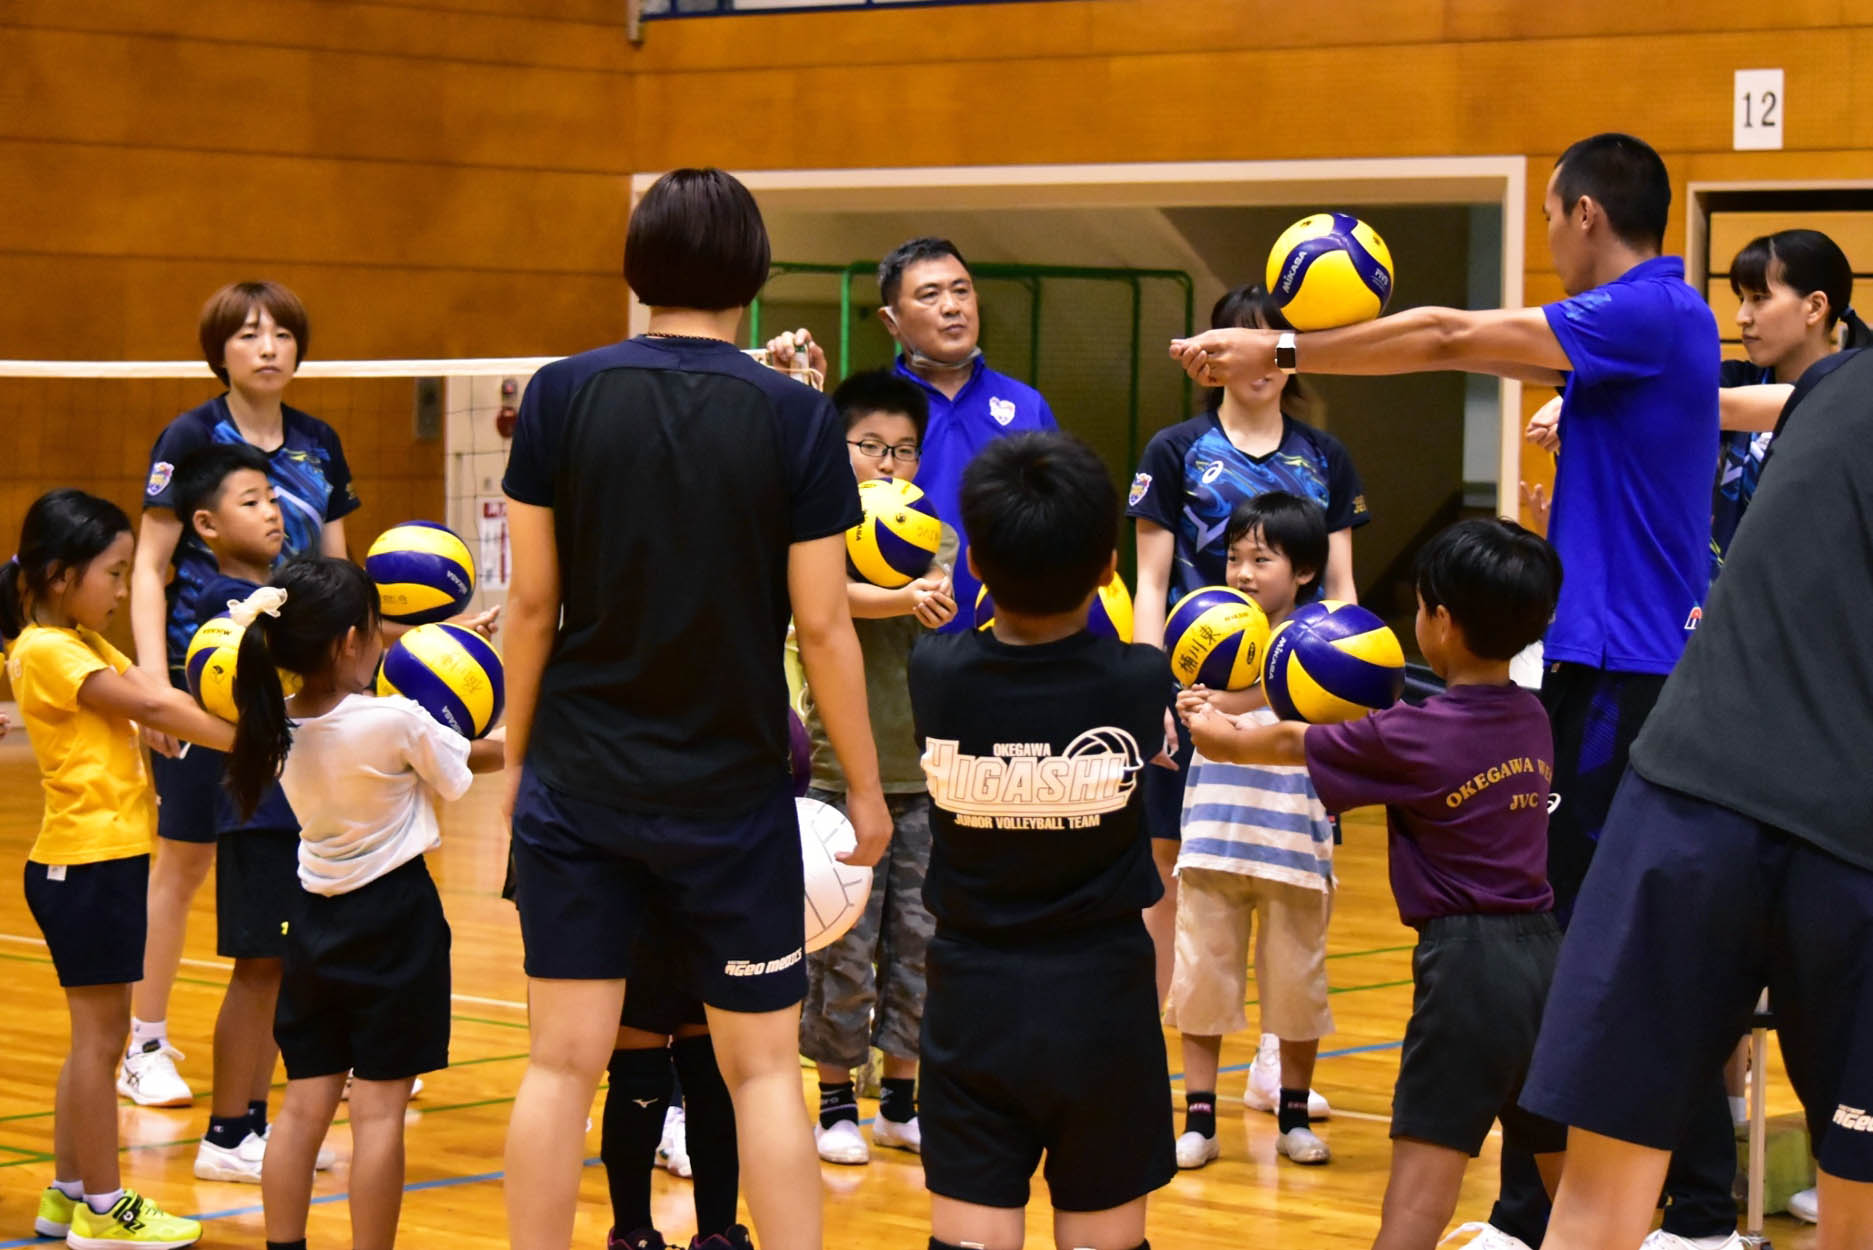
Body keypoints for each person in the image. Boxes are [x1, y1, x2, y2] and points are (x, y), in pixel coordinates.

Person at [1171, 132, 1719, 1250]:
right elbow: (1482, 358)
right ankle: (1543, 1208)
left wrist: (1277, 343)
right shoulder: (1651, 330)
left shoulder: (1647, 311)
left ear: (1576, 214)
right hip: (1599, 664)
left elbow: (1443, 334)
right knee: (1565, 938)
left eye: (1552, 225)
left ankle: (1692, 1209)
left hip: (1624, 672)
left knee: (1594, 942)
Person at [499, 167, 891, 1250]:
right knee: (763, 1067)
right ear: (755, 274)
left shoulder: (560, 393)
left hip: (582, 778)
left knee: (558, 1062)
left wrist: (521, 758)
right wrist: (864, 788)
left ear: (638, 267)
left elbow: (531, 606)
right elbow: (823, 626)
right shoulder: (797, 414)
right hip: (733, 789)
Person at [1517, 348, 1873, 1250]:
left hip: (1682, 798)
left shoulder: (1835, 384)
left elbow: (1767, 402)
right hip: (1840, 832)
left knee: (1596, 1203)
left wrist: (1620, 402)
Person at [1180, 517, 1567, 1250]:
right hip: (1545, 958)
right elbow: (1406, 726)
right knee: (1566, 1178)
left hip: (1465, 972)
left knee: (1419, 1194)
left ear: (1441, 623)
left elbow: (1291, 739)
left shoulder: (1413, 737)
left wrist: (1212, 728)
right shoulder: (1530, 715)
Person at [910, 431, 1175, 1250]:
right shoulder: (1138, 679)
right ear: (1106, 567)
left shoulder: (936, 670)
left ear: (977, 567)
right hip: (1102, 996)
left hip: (971, 993)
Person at [1132, 282, 1366, 1118]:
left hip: (1295, 699)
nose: (1260, 355)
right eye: (1243, 337)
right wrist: (1152, 689)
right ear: (1212, 352)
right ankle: (1160, 1059)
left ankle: (1277, 1061)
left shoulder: (1324, 457)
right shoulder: (1174, 449)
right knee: (1179, 873)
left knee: (1293, 877)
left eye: (1275, 339)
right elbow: (1151, 581)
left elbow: (1338, 585)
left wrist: (1341, 701)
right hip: (1195, 694)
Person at [220, 557, 501, 1250]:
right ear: (350, 641)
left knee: (303, 1104)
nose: (383, 641)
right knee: (378, 1115)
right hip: (395, 924)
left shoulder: (274, 725)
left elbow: (362, 696)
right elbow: (459, 771)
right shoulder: (395, 721)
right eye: (377, 630)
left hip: (313, 923)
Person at [123, 280, 358, 1109]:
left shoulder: (319, 443)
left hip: (297, 694)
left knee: (311, 861)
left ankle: (307, 1044)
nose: (270, 347)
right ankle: (144, 1043)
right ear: (219, 348)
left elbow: (338, 571)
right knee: (183, 862)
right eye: (251, 334)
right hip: (206, 686)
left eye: (284, 333)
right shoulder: (190, 438)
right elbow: (148, 568)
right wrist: (154, 680)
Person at [2, 488, 236, 1249]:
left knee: (91, 1044)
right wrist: (257, 739)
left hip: (104, 863)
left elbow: (148, 697)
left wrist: (152, 717)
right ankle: (105, 1210)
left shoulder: (82, 639)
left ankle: (68, 1196)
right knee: (100, 1047)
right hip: (86, 865)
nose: (122, 587)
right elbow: (158, 709)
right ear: (62, 575)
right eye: (114, 572)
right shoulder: (45, 648)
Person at [164, 445, 335, 1185]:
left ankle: (251, 1122)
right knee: (258, 971)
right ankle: (228, 1131)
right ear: (205, 524)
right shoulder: (217, 602)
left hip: (293, 810)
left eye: (273, 498)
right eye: (251, 500)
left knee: (280, 969)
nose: (271, 511)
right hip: (256, 814)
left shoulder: (271, 594)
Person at [798, 369, 957, 1166]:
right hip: (833, 778)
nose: (887, 465)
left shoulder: (931, 535)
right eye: (869, 447)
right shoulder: (812, 530)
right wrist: (901, 598)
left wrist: (921, 590)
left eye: (902, 450)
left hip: (923, 779)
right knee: (842, 952)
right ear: (838, 448)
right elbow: (823, 601)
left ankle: (900, 1100)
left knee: (919, 948)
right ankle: (834, 1103)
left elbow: (937, 594)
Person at [1167, 491, 1336, 1170]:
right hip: (1212, 837)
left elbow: (1304, 707)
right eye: (1233, 556)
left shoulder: (1325, 647)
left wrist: (1230, 706)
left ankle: (1292, 1112)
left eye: (1260, 558)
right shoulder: (1201, 640)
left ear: (1301, 571)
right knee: (1201, 985)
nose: (1241, 571)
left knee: (1297, 988)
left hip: (1294, 842)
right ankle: (1199, 1119)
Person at [769, 237, 1054, 633]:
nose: (952, 306)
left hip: (1012, 640)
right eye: (929, 295)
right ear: (891, 321)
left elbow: (1059, 521)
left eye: (961, 290)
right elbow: (803, 490)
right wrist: (803, 387)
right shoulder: (873, 416)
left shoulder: (1027, 405)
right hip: (893, 641)